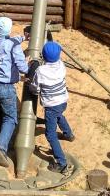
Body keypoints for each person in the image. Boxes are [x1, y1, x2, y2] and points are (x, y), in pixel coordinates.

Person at [0, 16, 29, 167]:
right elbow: (22, 66)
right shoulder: (13, 46)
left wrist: (23, 37)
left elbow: (10, 40)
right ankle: (1, 148)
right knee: (10, 118)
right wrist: (29, 69)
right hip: (6, 88)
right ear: (9, 30)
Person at [28, 41, 75, 174]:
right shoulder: (61, 65)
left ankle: (62, 163)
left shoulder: (40, 71)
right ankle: (68, 134)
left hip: (51, 105)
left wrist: (29, 84)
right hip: (63, 101)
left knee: (50, 134)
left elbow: (35, 89)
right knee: (59, 115)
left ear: (43, 55)